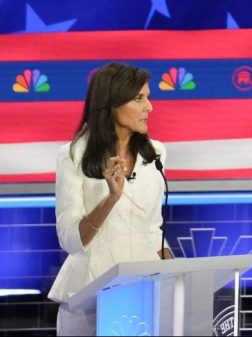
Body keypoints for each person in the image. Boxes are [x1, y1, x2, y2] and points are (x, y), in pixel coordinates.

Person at [48, 63, 172, 336]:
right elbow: (70, 239)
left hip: (143, 294)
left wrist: (179, 278)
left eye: (148, 97)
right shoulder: (73, 155)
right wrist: (111, 199)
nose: (149, 107)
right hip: (89, 295)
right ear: (110, 103)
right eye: (139, 98)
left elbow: (153, 231)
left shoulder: (156, 153)